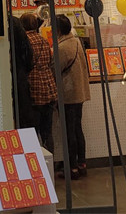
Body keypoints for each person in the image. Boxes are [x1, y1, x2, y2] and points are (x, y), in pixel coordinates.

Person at [56, 15, 90, 179]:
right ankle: (82, 164)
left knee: (70, 131)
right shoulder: (76, 42)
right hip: (79, 92)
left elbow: (55, 69)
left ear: (58, 30)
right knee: (77, 128)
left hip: (68, 94)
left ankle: (72, 168)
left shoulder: (62, 47)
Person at [21, 12, 57, 152]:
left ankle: (36, 160)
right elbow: (50, 61)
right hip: (48, 87)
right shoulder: (43, 40)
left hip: (34, 88)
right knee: (47, 131)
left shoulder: (25, 41)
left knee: (33, 132)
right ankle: (51, 159)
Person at [9, 15, 35, 128]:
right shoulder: (16, 24)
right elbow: (28, 57)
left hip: (5, 81)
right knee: (24, 118)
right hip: (20, 79)